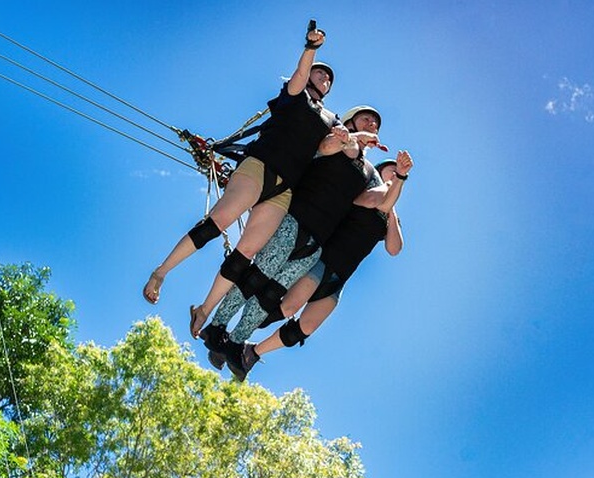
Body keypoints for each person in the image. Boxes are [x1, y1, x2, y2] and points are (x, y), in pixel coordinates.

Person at [142, 21, 343, 310]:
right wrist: (311, 48)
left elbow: (325, 148)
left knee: (247, 251)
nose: (324, 78)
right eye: (320, 72)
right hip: (261, 165)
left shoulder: (331, 119)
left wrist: (350, 139)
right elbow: (300, 74)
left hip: (285, 186)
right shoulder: (294, 94)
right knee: (219, 221)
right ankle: (160, 272)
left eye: (328, 78)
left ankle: (204, 309)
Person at [199, 108, 404, 376]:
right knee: (257, 276)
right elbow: (327, 147)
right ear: (351, 120)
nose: (373, 123)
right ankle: (216, 327)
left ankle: (235, 342)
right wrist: (352, 136)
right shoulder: (338, 137)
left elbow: (378, 201)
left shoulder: (367, 174)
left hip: (317, 239)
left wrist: (397, 179)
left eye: (376, 123)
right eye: (366, 118)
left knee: (271, 293)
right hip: (295, 217)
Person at [224, 154, 412, 380]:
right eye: (389, 171)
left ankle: (252, 352)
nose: (393, 175)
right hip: (323, 259)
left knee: (307, 326)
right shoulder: (365, 191)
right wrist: (394, 184)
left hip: (341, 275)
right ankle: (231, 338)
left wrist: (392, 210)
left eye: (397, 172)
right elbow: (374, 201)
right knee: (288, 307)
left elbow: (394, 248)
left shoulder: (391, 216)